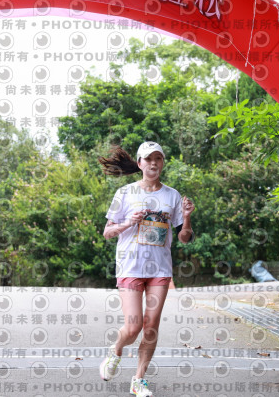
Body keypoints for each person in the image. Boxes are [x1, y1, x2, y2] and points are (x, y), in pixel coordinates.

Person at [98, 141, 195, 397]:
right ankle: (115, 351)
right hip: (130, 265)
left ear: (162, 163)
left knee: (151, 326)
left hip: (160, 269)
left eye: (158, 158)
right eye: (148, 159)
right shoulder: (125, 193)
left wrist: (186, 217)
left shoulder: (172, 196)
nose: (153, 163)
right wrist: (128, 222)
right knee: (133, 327)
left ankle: (138, 380)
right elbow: (107, 232)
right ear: (140, 163)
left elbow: (184, 238)